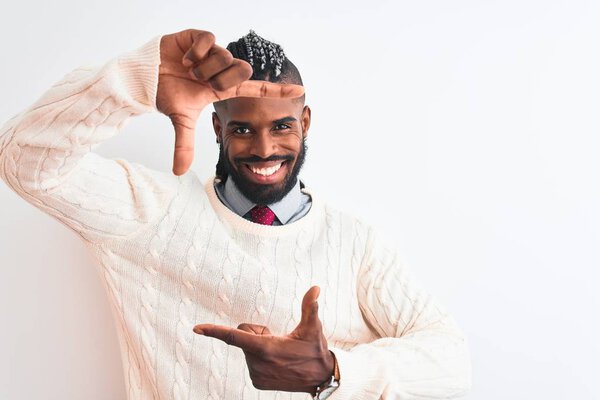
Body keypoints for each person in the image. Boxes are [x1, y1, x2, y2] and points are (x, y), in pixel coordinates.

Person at [0, 28, 472, 399]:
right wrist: (133, 82)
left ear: (304, 123)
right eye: (242, 128)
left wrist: (335, 372)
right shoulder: (151, 212)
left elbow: (451, 361)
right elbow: (24, 163)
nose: (264, 149)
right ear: (216, 127)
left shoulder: (357, 241)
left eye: (283, 126)